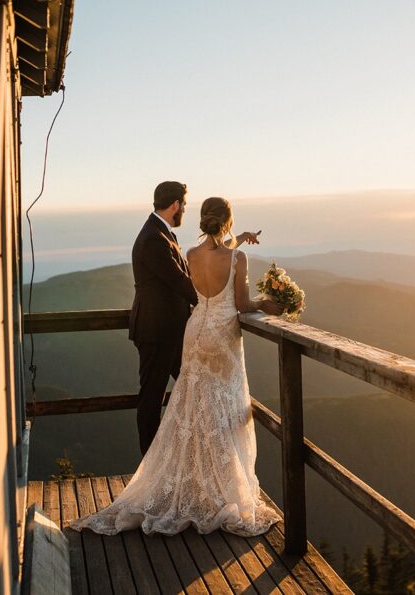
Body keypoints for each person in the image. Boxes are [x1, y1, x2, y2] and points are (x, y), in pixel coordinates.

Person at [72, 196, 284, 536]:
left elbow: (214, 262)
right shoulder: (238, 259)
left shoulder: (191, 254)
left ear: (205, 220)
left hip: (195, 331)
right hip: (223, 336)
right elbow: (242, 305)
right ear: (227, 221)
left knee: (193, 406)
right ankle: (219, 488)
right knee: (225, 408)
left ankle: (192, 482)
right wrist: (266, 303)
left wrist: (237, 238)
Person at [128, 181, 260, 454]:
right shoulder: (154, 238)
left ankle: (191, 460)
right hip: (156, 331)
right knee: (152, 397)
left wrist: (238, 240)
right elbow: (182, 281)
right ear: (175, 205)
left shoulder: (160, 232)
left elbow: (208, 258)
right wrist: (214, 300)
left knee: (194, 391)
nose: (185, 211)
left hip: (174, 330)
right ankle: (149, 463)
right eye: (184, 206)